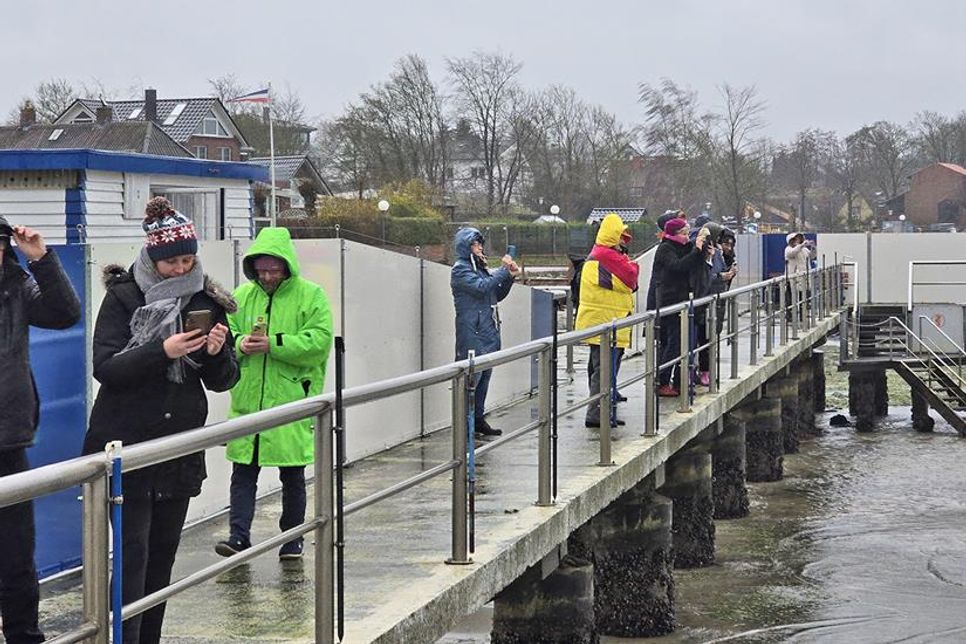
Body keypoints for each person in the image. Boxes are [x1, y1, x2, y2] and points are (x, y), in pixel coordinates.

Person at [83, 197, 239, 644]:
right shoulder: (123, 296)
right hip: (126, 446)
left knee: (162, 560)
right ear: (152, 257)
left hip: (178, 450)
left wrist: (215, 353)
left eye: (188, 259)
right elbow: (106, 367)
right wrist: (161, 352)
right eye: (172, 261)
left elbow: (224, 381)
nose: (180, 268)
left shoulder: (207, 298)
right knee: (131, 557)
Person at [215, 228, 333, 560]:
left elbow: (319, 342)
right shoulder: (242, 296)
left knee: (292, 474)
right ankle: (238, 537)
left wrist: (273, 344)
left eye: (273, 269)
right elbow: (227, 335)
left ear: (286, 266)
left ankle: (292, 538)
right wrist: (240, 344)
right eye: (262, 270)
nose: (267, 276)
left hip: (290, 399)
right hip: (248, 400)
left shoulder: (311, 296)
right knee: (243, 472)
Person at [0, 217, 80, 644]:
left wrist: (42, 259)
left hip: (8, 439)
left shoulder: (16, 283)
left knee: (16, 556)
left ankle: (24, 636)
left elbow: (65, 313)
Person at [451, 228, 521, 436]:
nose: (480, 247)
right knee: (472, 379)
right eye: (475, 244)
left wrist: (508, 277)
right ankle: (466, 424)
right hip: (472, 331)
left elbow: (494, 294)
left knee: (484, 378)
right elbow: (482, 287)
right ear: (466, 247)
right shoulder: (460, 269)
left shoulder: (479, 269)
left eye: (480, 244)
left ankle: (478, 420)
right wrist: (502, 270)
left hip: (487, 330)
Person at [575, 214, 640, 428]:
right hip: (607, 322)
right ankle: (596, 413)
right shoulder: (608, 257)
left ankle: (600, 408)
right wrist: (632, 266)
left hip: (600, 321)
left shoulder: (600, 254)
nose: (624, 240)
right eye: (622, 235)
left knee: (599, 368)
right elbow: (630, 278)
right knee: (604, 369)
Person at [653, 217, 706, 396]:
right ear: (674, 234)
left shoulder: (680, 247)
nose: (686, 236)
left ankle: (677, 381)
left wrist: (702, 251)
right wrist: (696, 251)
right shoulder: (665, 248)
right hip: (669, 301)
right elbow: (678, 266)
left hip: (680, 300)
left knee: (678, 343)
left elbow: (691, 262)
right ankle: (662, 381)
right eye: (683, 233)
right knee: (673, 344)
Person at [784, 232, 812, 318]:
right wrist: (801, 245)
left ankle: (803, 314)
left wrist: (812, 247)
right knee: (791, 297)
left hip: (804, 276)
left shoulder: (804, 249)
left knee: (803, 296)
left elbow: (812, 255)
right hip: (792, 277)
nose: (797, 241)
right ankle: (790, 315)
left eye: (799, 239)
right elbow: (792, 253)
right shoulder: (788, 249)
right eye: (795, 239)